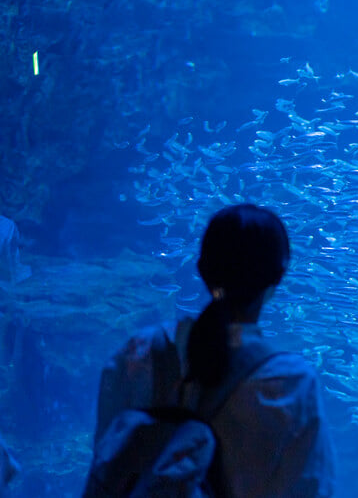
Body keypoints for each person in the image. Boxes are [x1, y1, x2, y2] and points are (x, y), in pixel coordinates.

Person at [91, 203, 336, 496]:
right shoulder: (289, 383)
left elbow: (104, 461)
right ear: (277, 279)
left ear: (202, 269)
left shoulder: (138, 353)